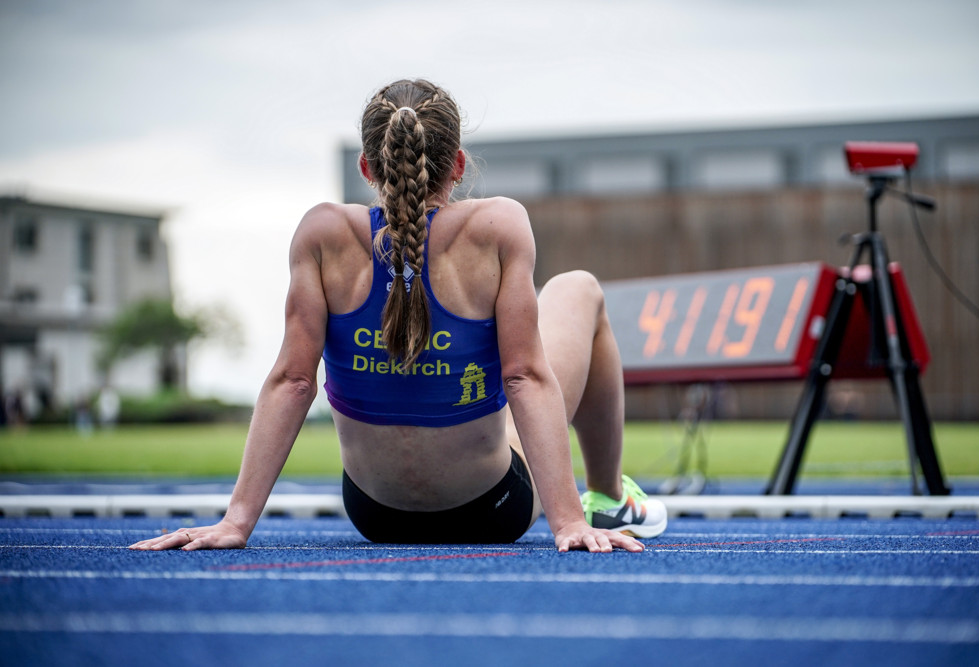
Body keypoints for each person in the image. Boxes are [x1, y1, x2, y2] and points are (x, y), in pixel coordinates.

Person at [130, 79, 666, 554]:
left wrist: (236, 521)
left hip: (373, 514)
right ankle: (609, 498)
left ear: (367, 167)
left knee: (490, 403)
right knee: (577, 288)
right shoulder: (499, 226)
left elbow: (293, 381)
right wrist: (567, 520)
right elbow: (523, 376)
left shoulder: (322, 235)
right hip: (493, 509)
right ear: (457, 164)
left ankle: (600, 494)